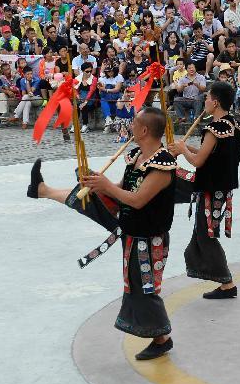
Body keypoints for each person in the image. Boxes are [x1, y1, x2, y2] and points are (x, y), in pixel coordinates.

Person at [26, 107, 177, 361]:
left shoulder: (162, 166)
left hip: (149, 238)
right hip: (131, 228)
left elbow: (138, 200)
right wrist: (101, 184)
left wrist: (106, 187)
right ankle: (43, 190)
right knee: (90, 199)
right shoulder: (137, 155)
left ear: (144, 130)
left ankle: (162, 337)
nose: (130, 126)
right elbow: (123, 189)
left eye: (134, 123)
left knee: (145, 288)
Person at [171, 81, 240, 299]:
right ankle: (223, 283)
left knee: (206, 234)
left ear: (216, 102)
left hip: (212, 188)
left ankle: (227, 284)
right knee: (204, 233)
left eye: (208, 98)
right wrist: (185, 149)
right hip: (222, 186)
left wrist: (183, 149)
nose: (206, 101)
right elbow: (209, 154)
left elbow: (199, 161)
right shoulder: (234, 125)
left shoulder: (213, 128)